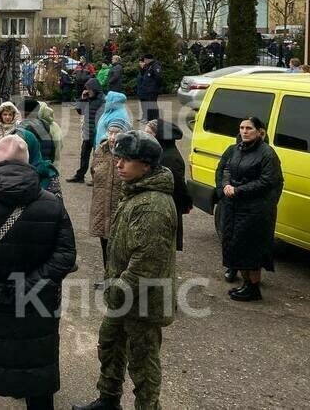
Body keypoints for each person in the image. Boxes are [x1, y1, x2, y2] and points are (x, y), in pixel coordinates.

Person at [0, 134, 76, 410]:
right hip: (37, 302)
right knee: (37, 375)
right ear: (27, 163)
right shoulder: (51, 202)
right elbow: (65, 255)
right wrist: (29, 287)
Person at [72, 130, 177, 410]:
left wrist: (119, 289)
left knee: (143, 362)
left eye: (127, 160)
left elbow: (147, 261)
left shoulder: (153, 204)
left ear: (146, 166)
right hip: (124, 296)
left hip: (142, 300)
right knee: (110, 344)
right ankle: (108, 399)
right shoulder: (135, 191)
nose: (119, 164)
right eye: (119, 158)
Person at [215, 116, 283, 302]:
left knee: (251, 249)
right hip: (235, 207)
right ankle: (246, 284)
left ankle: (253, 288)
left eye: (249, 128)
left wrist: (238, 190)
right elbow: (226, 169)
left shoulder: (267, 153)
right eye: (242, 128)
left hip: (255, 210)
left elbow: (267, 181)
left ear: (260, 132)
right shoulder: (237, 149)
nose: (244, 131)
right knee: (236, 246)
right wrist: (226, 186)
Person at [89, 119, 130, 278]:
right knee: (105, 244)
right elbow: (94, 172)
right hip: (101, 206)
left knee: (120, 247)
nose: (112, 137)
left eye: (117, 133)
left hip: (119, 208)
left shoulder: (128, 154)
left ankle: (120, 279)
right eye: (110, 132)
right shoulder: (100, 150)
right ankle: (108, 277)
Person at [146, 118, 192, 252]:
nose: (145, 137)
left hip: (167, 207)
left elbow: (178, 186)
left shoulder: (170, 157)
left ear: (159, 136)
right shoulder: (157, 152)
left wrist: (186, 202)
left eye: (149, 134)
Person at [68, 79, 105, 183]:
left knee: (97, 156)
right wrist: (82, 99)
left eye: (89, 89)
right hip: (88, 131)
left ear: (94, 89)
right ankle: (80, 176)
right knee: (84, 154)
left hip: (97, 132)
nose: (87, 91)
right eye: (87, 89)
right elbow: (80, 111)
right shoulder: (88, 98)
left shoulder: (103, 100)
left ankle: (95, 178)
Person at [137, 55, 163, 123]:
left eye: (145, 59)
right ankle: (150, 119)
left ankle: (155, 120)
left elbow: (159, 78)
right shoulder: (149, 66)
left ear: (148, 59)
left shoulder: (155, 66)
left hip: (153, 90)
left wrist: (155, 87)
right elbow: (145, 75)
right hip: (148, 89)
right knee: (149, 105)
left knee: (152, 105)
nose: (144, 61)